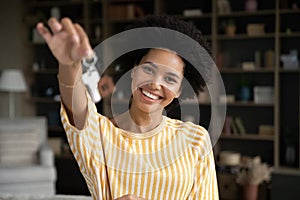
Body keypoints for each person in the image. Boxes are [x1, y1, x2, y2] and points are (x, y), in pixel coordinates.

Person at [37, 15, 219, 200]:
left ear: (180, 89)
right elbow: (75, 103)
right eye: (148, 69)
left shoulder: (195, 139)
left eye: (170, 79)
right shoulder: (99, 134)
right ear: (134, 70)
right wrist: (69, 64)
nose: (155, 84)